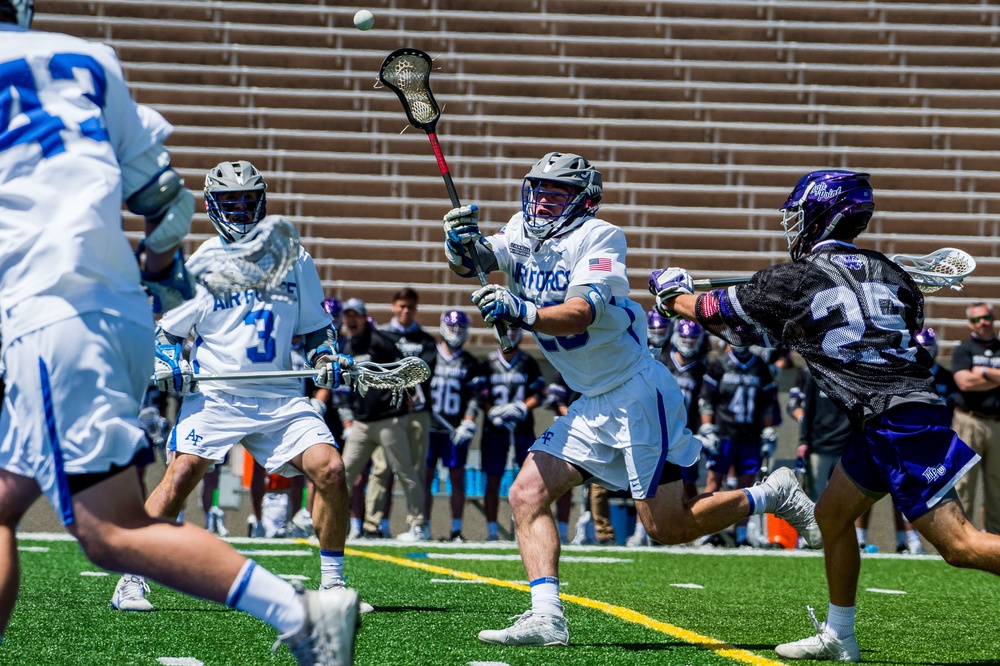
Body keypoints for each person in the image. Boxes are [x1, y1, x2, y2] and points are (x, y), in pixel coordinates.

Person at [0, 10, 358, 663]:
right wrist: (157, 288)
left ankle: (306, 606)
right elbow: (164, 199)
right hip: (109, 314)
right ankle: (304, 613)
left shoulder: (289, 253)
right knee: (88, 513)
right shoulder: (89, 58)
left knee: (111, 530)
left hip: (46, 308)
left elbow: (308, 323)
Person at [444, 151, 820, 646]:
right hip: (590, 398)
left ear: (583, 202)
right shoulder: (518, 228)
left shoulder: (599, 237)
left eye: (555, 196)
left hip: (635, 392)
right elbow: (477, 260)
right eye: (538, 192)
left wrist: (523, 311)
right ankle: (547, 617)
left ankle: (772, 494)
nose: (540, 205)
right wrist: (457, 245)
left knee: (665, 526)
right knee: (526, 495)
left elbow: (577, 314)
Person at [650, 169, 1000, 662]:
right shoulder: (891, 274)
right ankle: (840, 634)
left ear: (818, 214)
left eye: (797, 215)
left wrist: (672, 292)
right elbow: (896, 324)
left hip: (899, 421)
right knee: (830, 516)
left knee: (961, 546)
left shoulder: (792, 279)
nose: (792, 225)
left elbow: (710, 311)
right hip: (885, 416)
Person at [109, 160, 373, 616]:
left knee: (329, 469)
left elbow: (316, 329)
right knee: (180, 476)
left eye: (249, 200)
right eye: (231, 201)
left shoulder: (295, 256)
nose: (242, 210)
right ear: (213, 206)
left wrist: (325, 358)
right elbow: (168, 335)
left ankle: (333, 583)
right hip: (216, 396)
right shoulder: (203, 263)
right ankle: (130, 580)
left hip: (279, 398)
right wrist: (171, 363)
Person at [337, 299, 428, 540]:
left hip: (389, 420)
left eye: (355, 315)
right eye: (347, 315)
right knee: (342, 475)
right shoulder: (348, 346)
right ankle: (336, 523)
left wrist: (404, 399)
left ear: (364, 317)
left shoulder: (381, 341)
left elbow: (405, 370)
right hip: (362, 422)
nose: (351, 320)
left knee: (406, 472)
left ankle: (418, 524)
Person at [698, 344, 777, 547]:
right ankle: (707, 531)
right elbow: (706, 398)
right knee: (714, 482)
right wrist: (707, 427)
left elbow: (768, 402)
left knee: (747, 487)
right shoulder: (719, 364)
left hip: (750, 435)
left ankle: (741, 533)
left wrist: (768, 430)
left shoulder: (759, 365)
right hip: (724, 433)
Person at [373, 288, 437, 538]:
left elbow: (424, 373)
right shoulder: (380, 335)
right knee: (382, 469)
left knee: (415, 469)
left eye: (410, 306)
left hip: (416, 412)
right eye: (401, 305)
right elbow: (376, 371)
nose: (405, 311)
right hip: (387, 413)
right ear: (393, 306)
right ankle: (375, 524)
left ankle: (417, 523)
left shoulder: (425, 340)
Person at [424, 310, 487, 541]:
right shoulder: (430, 356)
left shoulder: (469, 362)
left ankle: (457, 530)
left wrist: (468, 421)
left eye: (460, 328)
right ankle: (425, 526)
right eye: (452, 327)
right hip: (429, 428)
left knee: (457, 478)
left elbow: (475, 396)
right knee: (426, 478)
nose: (455, 332)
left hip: (454, 430)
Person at [482, 325, 546, 542]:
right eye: (506, 329)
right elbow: (478, 394)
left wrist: (522, 408)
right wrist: (491, 412)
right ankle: (492, 530)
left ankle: (524, 528)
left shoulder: (528, 362)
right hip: (495, 429)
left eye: (514, 329)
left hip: (522, 427)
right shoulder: (488, 363)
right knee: (492, 479)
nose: (510, 334)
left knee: (527, 481)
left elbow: (540, 393)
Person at [951, 303, 1000, 534]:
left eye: (987, 317)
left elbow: (972, 379)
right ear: (970, 323)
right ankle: (962, 536)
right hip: (968, 422)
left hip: (997, 424)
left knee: (997, 486)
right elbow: (963, 382)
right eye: (978, 319)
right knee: (963, 483)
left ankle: (994, 539)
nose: (983, 322)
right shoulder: (964, 349)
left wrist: (982, 371)